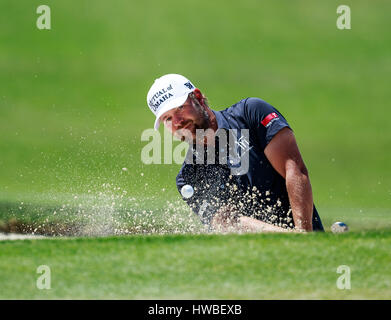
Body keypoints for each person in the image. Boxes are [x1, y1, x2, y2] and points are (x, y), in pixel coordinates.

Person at [146, 74, 324, 233]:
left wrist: (303, 237)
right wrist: (289, 238)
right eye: (167, 119)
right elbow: (227, 222)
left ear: (198, 98)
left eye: (179, 108)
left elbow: (294, 170)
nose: (177, 122)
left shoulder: (250, 113)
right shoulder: (188, 178)